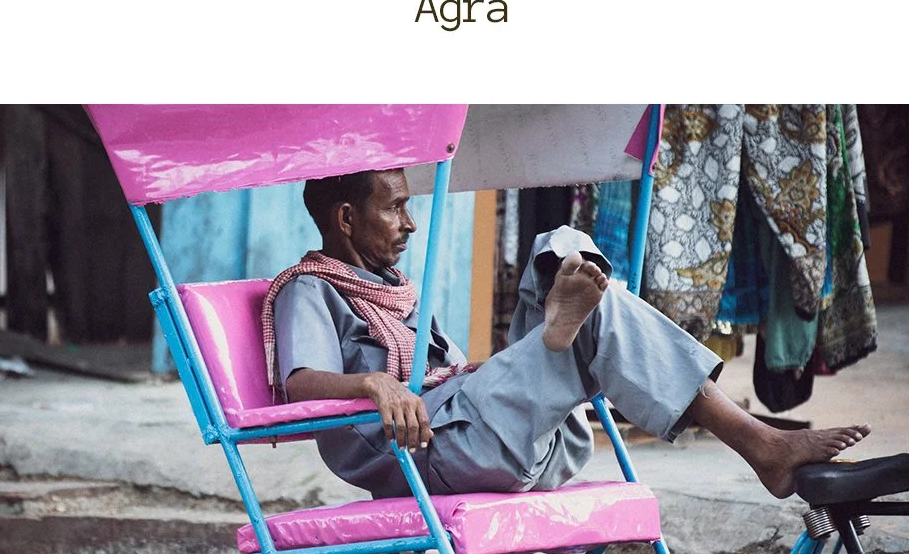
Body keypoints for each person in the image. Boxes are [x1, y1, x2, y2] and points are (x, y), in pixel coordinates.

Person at [265, 168, 870, 501]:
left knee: (562, 245)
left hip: (518, 439)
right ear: (347, 218)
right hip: (436, 452)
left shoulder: (391, 285)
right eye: (394, 208)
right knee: (590, 314)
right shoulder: (309, 288)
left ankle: (564, 311)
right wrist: (374, 384)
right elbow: (299, 383)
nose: (410, 223)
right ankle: (760, 443)